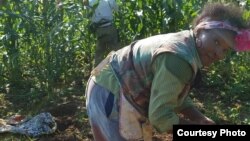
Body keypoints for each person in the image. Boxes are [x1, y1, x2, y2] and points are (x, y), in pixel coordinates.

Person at [85, 2, 250, 141]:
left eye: (225, 50)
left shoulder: (188, 47)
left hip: (112, 86)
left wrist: (197, 117)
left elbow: (172, 93)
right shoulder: (179, 59)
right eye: (216, 41)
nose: (218, 52)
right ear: (201, 30)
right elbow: (160, 116)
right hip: (111, 93)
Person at [83, 0, 120, 66]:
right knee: (115, 50)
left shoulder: (90, 2)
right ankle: (117, 68)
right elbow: (117, 10)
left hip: (99, 29)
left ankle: (96, 73)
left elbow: (87, 14)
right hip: (110, 27)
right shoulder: (109, 1)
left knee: (99, 52)